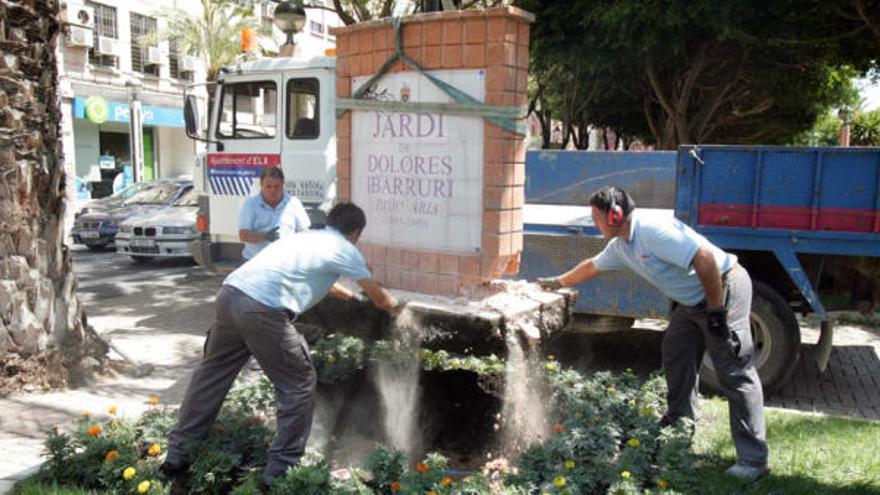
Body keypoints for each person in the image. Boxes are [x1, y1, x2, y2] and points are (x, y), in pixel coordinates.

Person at [161, 202, 401, 490]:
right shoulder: (345, 248)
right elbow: (380, 299)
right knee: (298, 382)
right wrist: (397, 307)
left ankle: (177, 456)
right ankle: (279, 472)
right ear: (357, 232)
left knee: (210, 378)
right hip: (262, 310)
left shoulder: (305, 239)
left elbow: (312, 276)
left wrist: (346, 295)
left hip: (230, 295)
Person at [537, 186, 769, 481]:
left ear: (615, 215)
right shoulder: (622, 246)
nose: (594, 225)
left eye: (596, 218)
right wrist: (556, 283)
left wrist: (715, 312)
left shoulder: (651, 231)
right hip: (692, 303)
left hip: (723, 289)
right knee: (675, 353)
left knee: (734, 369)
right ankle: (678, 428)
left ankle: (753, 460)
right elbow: (591, 267)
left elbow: (705, 258)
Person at [239, 167, 311, 260]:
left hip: (286, 261)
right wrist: (264, 236)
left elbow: (304, 232)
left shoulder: (293, 202)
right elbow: (243, 235)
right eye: (268, 186)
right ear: (261, 185)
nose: (273, 191)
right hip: (256, 261)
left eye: (277, 186)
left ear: (282, 185)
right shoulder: (250, 204)